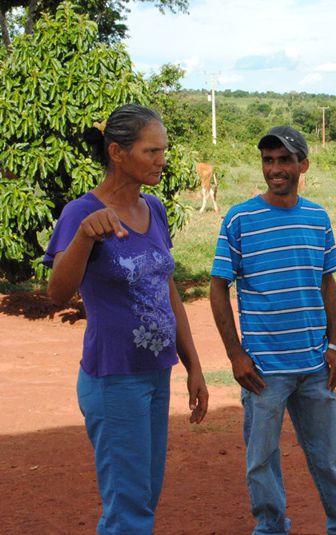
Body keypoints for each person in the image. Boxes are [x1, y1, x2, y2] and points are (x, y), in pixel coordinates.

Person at [44, 104, 209, 534]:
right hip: (114, 378)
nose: (162, 160)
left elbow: (168, 292)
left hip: (156, 373)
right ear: (117, 153)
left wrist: (193, 366)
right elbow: (57, 293)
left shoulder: (154, 208)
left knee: (144, 496)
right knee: (128, 509)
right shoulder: (81, 213)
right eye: (151, 151)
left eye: (163, 150)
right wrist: (85, 236)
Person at [209, 125, 336, 535]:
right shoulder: (240, 218)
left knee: (327, 458)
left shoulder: (317, 217)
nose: (275, 169)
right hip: (263, 370)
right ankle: (271, 526)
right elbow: (218, 286)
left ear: (303, 165)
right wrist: (235, 355)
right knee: (261, 460)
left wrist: (334, 345)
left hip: (314, 365)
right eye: (268, 160)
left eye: (284, 160)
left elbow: (327, 282)